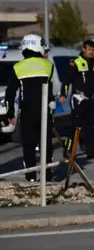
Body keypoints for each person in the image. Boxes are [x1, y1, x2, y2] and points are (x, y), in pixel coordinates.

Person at [5, 34, 56, 182]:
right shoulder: (48, 66)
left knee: (29, 145)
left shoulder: (17, 67)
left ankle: (31, 176)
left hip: (26, 112)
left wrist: (10, 112)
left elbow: (10, 93)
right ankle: (48, 174)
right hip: (44, 112)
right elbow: (50, 91)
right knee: (45, 144)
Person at [59, 39, 94, 158]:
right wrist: (63, 95)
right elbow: (67, 80)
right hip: (78, 98)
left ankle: (91, 150)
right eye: (89, 49)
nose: (91, 52)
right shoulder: (76, 63)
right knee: (76, 125)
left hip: (88, 99)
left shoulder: (93, 64)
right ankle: (68, 149)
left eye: (93, 50)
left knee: (89, 125)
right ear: (83, 49)